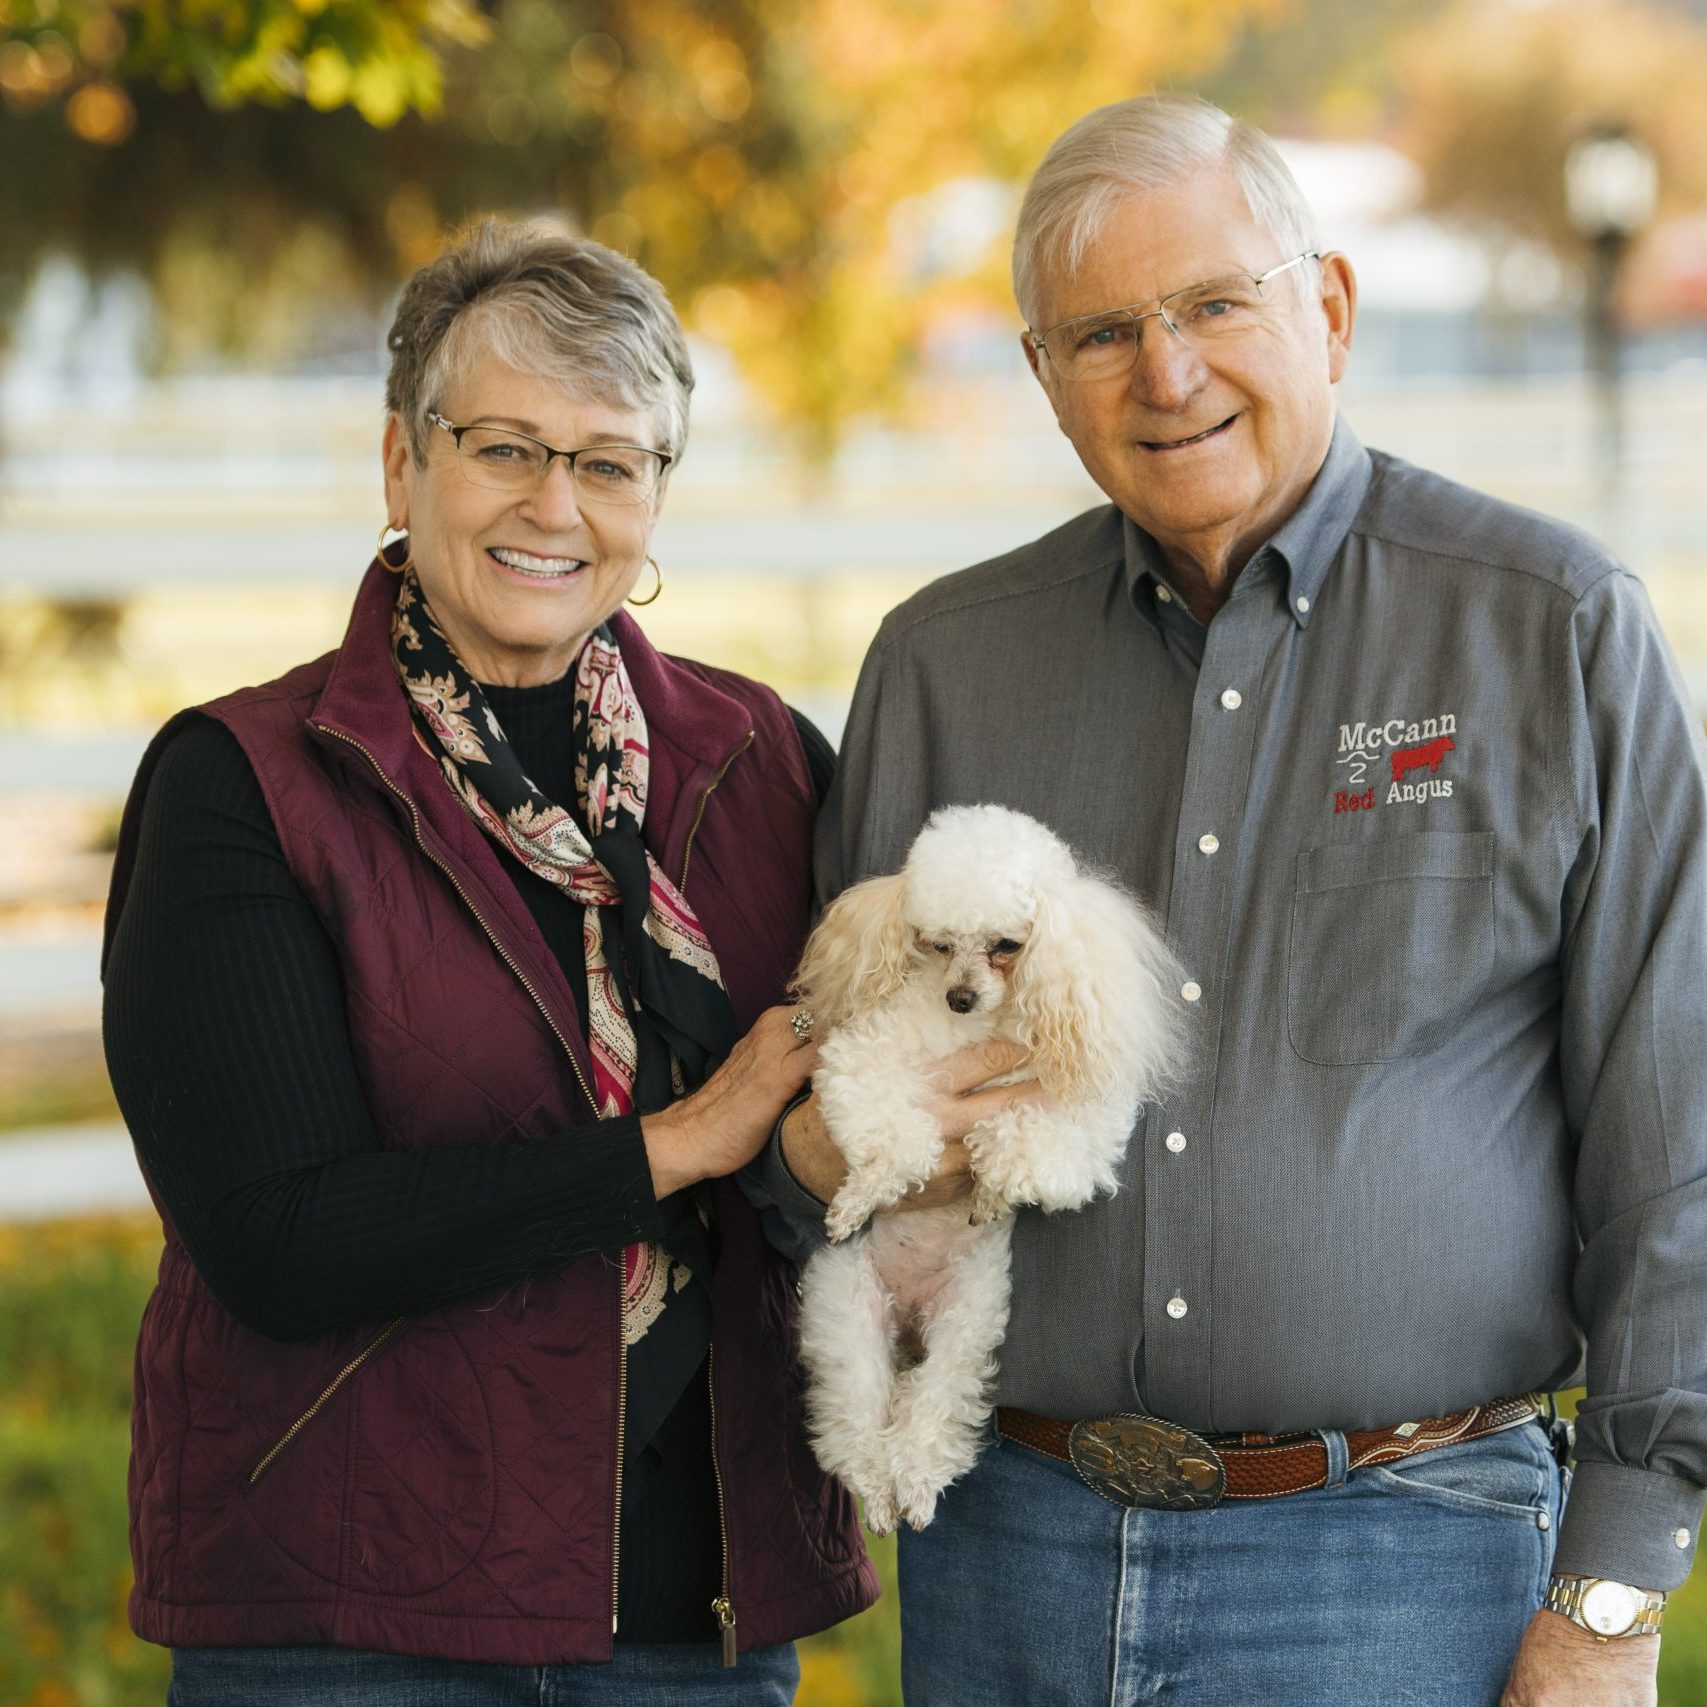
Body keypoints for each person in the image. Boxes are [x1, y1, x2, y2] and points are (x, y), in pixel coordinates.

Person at [756, 95, 1707, 1707]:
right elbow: (831, 1125)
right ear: (1045, 376)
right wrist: (808, 1162)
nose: (1168, 372)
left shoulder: (1553, 633)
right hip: (1009, 1551)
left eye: (1213, 304)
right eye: (1104, 332)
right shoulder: (945, 664)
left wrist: (1611, 1595)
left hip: (1411, 1556)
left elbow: (1678, 1150)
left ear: (1326, 307)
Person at [100, 218, 883, 1704]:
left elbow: (834, 1149)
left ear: (657, 495)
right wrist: (670, 1147)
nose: (556, 504)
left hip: (692, 1617)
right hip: (351, 1615)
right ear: (402, 465)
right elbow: (278, 1236)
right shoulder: (248, 781)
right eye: (504, 447)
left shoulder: (765, 763)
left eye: (609, 460)